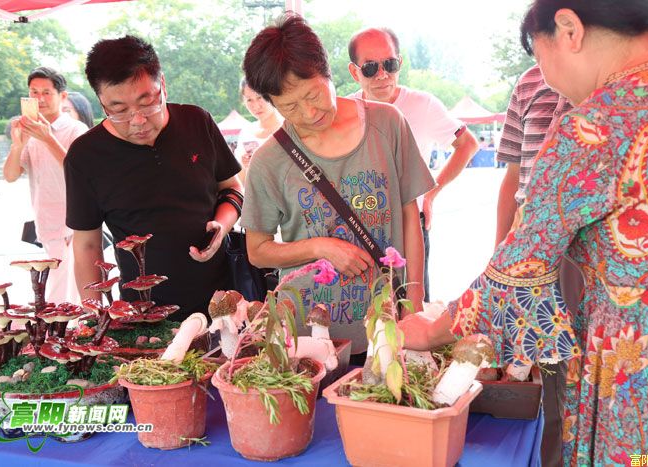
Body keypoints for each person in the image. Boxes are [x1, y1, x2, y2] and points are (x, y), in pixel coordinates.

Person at [399, 0, 648, 464]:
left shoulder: (596, 125)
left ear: (569, 29)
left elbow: (519, 271)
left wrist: (431, 331)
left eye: (539, 58)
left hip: (646, 371)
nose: (546, 78)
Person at [240, 15, 434, 354]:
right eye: (289, 107)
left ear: (329, 73)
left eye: (313, 95)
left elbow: (409, 216)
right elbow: (257, 250)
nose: (308, 113)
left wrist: (413, 303)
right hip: (309, 340)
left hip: (386, 326)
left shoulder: (387, 125)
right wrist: (320, 247)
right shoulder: (269, 160)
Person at [65, 35, 243, 321]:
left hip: (224, 303)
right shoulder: (85, 155)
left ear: (163, 86)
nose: (138, 120)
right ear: (101, 102)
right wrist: (94, 316)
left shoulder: (197, 122)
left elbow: (233, 188)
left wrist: (222, 226)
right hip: (144, 316)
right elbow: (87, 244)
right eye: (119, 110)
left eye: (148, 102)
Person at [347, 27, 478, 303]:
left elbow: (467, 145)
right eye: (370, 68)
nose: (382, 75)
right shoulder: (344, 110)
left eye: (390, 64)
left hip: (409, 226)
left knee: (411, 307)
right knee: (360, 309)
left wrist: (430, 194)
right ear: (354, 72)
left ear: (400, 64)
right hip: (356, 225)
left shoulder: (423, 105)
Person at [494, 64, 574, 467]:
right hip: (531, 247)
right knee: (547, 373)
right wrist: (501, 256)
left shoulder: (618, 90)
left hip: (585, 253)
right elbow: (514, 179)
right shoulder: (528, 82)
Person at [3, 67, 88, 304]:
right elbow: (10, 175)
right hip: (46, 223)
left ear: (62, 96)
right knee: (57, 293)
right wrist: (18, 143)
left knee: (64, 297)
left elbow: (81, 173)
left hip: (75, 225)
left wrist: (47, 138)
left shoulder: (76, 130)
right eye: (34, 92)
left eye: (46, 92)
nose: (39, 99)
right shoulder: (27, 133)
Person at [495, 65, 572, 246]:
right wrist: (498, 252)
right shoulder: (528, 82)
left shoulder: (605, 78)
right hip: (527, 240)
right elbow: (513, 177)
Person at [234, 78, 283, 184]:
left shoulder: (288, 128)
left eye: (260, 97)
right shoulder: (246, 134)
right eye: (249, 100)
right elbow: (241, 183)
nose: (256, 106)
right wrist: (244, 165)